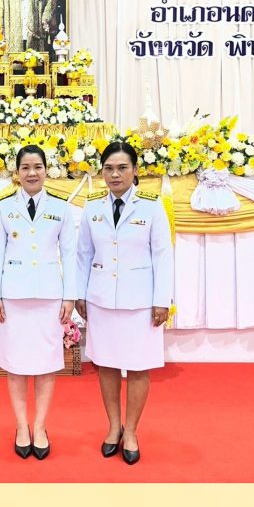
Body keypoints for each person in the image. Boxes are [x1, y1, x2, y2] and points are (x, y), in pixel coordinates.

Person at [75, 142, 174, 465]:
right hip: (102, 298)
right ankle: (113, 427)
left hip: (140, 301)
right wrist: (79, 293)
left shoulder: (152, 206)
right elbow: (83, 254)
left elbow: (163, 255)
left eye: (122, 168)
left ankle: (131, 431)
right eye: (109, 169)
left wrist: (162, 300)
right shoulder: (92, 206)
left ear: (135, 170)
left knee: (138, 366)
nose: (115, 175)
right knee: (105, 364)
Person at [0, 145, 77, 460]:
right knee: (15, 363)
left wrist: (69, 296)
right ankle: (21, 426)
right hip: (13, 297)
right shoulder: (3, 208)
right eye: (25, 167)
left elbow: (70, 255)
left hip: (49, 296)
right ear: (17, 172)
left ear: (46, 170)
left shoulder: (61, 207)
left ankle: (39, 426)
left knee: (46, 364)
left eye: (37, 166)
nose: (31, 173)